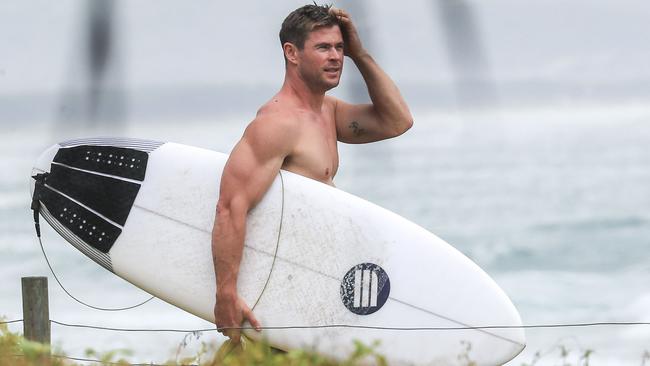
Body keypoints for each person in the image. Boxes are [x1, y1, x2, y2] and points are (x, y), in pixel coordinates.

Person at [211, 4, 413, 344]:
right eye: (323, 48)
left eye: (339, 48)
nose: (335, 57)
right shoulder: (277, 124)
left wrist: (360, 54)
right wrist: (226, 294)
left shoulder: (326, 112)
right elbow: (230, 208)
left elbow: (398, 122)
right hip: (278, 289)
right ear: (291, 53)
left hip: (314, 282)